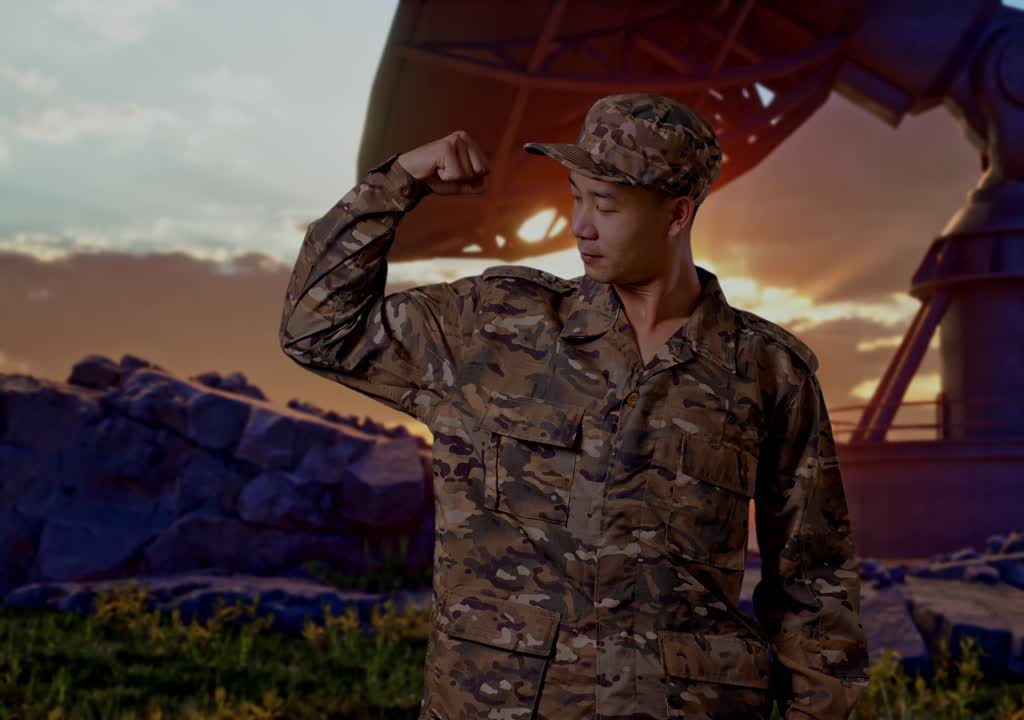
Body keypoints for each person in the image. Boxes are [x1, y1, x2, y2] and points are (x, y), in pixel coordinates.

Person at [279, 93, 869, 720]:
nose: (581, 225)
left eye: (605, 205)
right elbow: (317, 331)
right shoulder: (495, 325)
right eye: (575, 196)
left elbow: (816, 586)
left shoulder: (769, 373)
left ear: (677, 215)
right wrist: (399, 181)